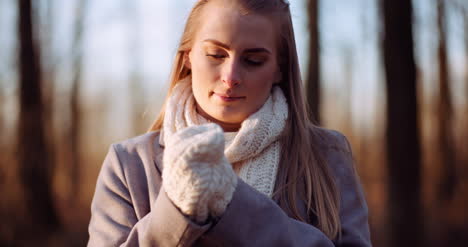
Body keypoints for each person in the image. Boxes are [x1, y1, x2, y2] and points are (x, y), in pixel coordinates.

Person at [87, 0, 372, 246]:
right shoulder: (128, 164)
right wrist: (178, 209)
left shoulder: (326, 154)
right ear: (188, 57)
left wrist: (231, 202)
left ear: (279, 69)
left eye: (253, 60)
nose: (231, 76)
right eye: (216, 55)